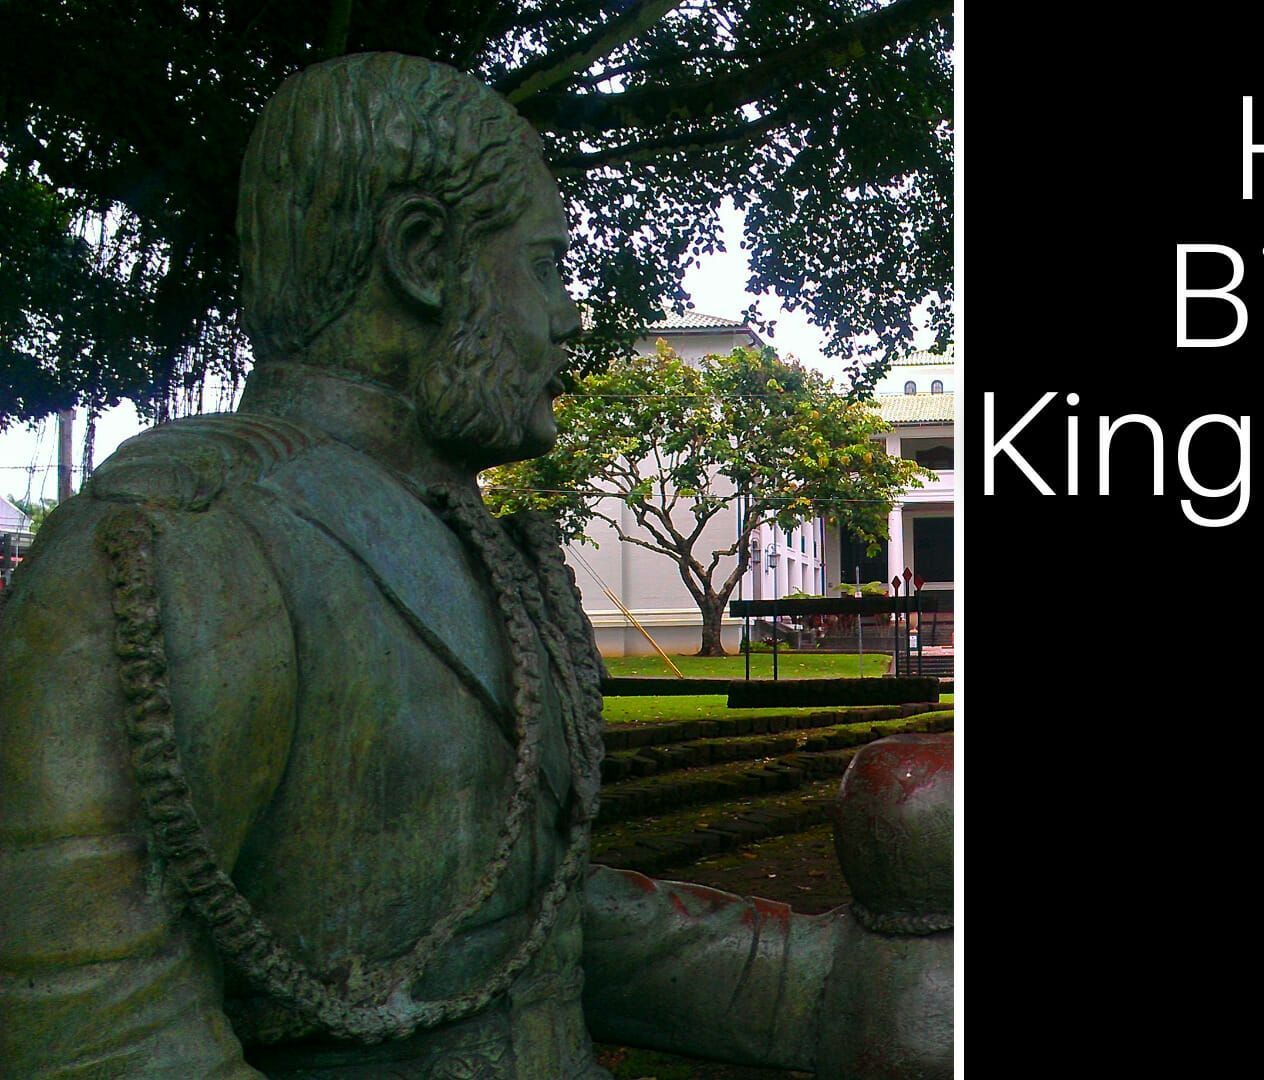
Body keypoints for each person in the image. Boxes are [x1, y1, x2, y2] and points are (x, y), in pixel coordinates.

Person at [0, 53, 950, 1079]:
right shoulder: (178, 546)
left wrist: (809, 988)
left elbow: (504, 929)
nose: (568, 316)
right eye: (543, 265)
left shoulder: (473, 547)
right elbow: (89, 1020)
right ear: (420, 256)